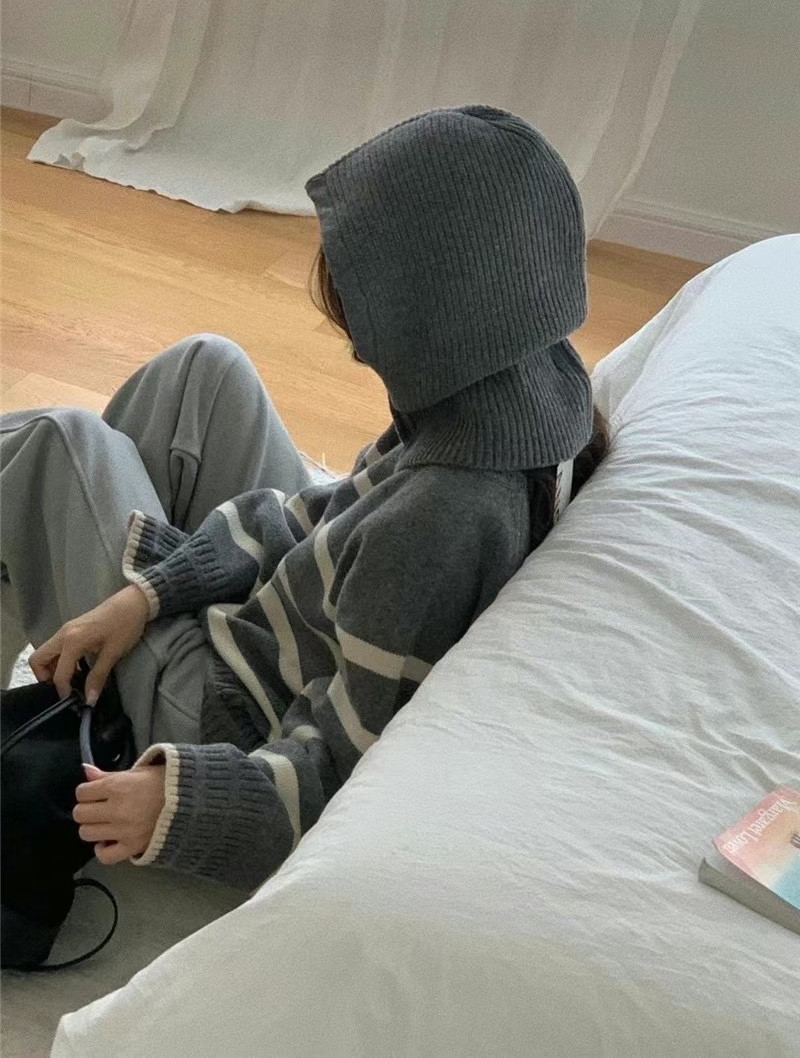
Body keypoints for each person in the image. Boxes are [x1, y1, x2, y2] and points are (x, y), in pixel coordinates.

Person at [0, 104, 609, 891]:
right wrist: (147, 594)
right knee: (205, 370)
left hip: (224, 716)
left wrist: (180, 800)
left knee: (62, 445)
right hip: (284, 621)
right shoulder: (514, 391)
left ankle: (43, 558)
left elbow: (343, 769)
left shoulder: (437, 524)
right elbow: (316, 518)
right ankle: (48, 565)